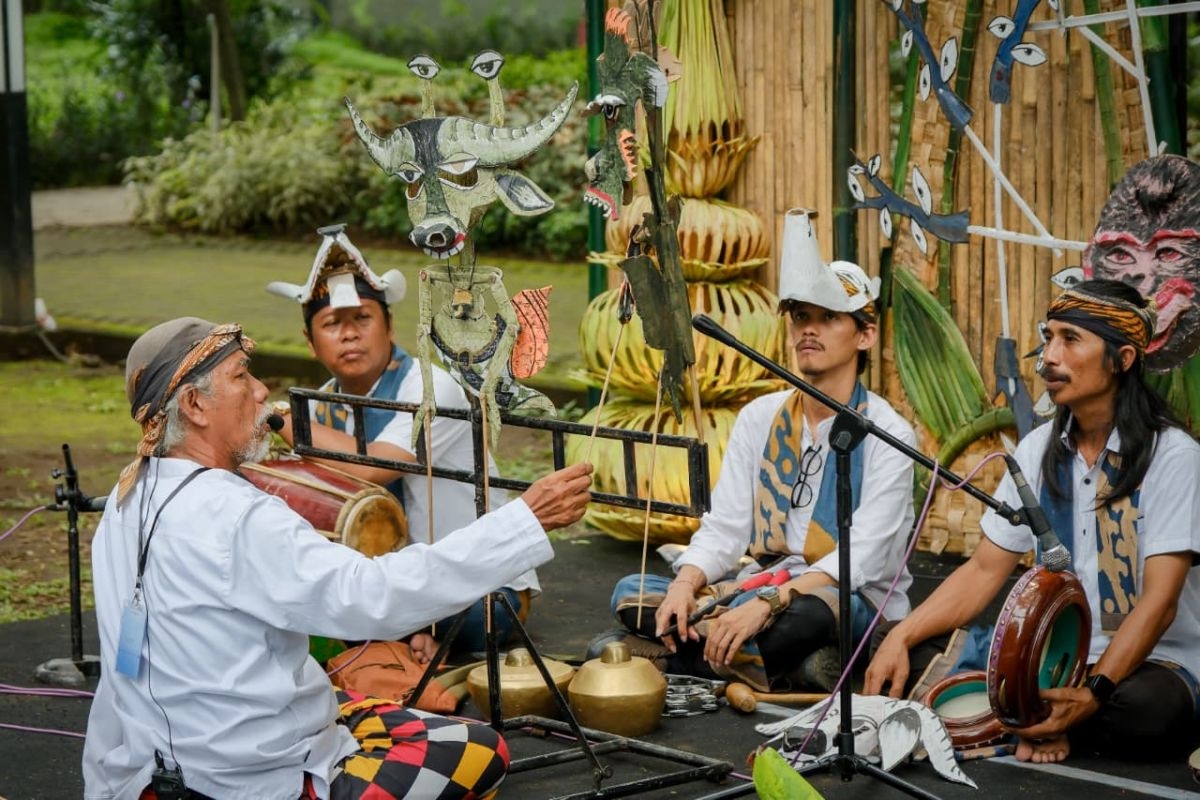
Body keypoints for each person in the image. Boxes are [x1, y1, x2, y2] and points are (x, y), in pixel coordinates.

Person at [82, 316, 593, 800]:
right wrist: (524, 519)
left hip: (143, 769)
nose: (260, 391)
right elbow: (373, 598)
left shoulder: (125, 500)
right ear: (194, 405)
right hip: (250, 781)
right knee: (480, 749)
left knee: (345, 700)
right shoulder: (237, 515)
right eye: (241, 376)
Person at [866, 278, 1200, 764]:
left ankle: (1025, 718)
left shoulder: (1173, 456)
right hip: (1048, 658)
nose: (1048, 358)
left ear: (1123, 358)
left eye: (1070, 339)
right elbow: (983, 571)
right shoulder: (1037, 450)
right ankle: (1040, 720)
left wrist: (1092, 693)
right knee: (892, 641)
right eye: (1048, 338)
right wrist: (902, 635)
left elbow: (1160, 602)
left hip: (1147, 665)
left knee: (1150, 710)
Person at [598, 208, 916, 693]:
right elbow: (725, 529)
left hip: (838, 596)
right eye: (801, 317)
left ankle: (670, 658)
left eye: (829, 318)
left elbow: (860, 562)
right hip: (758, 583)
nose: (809, 330)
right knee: (632, 592)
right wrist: (684, 587)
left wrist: (769, 604)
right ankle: (772, 664)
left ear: (865, 335)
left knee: (815, 615)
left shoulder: (889, 434)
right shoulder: (760, 416)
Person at [266, 224, 533, 659]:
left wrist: (280, 419)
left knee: (475, 614)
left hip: (480, 583)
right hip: (394, 588)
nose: (349, 334)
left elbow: (377, 465)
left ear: (389, 326)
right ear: (310, 343)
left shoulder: (432, 389)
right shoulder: (321, 406)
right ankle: (401, 634)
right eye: (332, 323)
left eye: (363, 319)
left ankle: (408, 634)